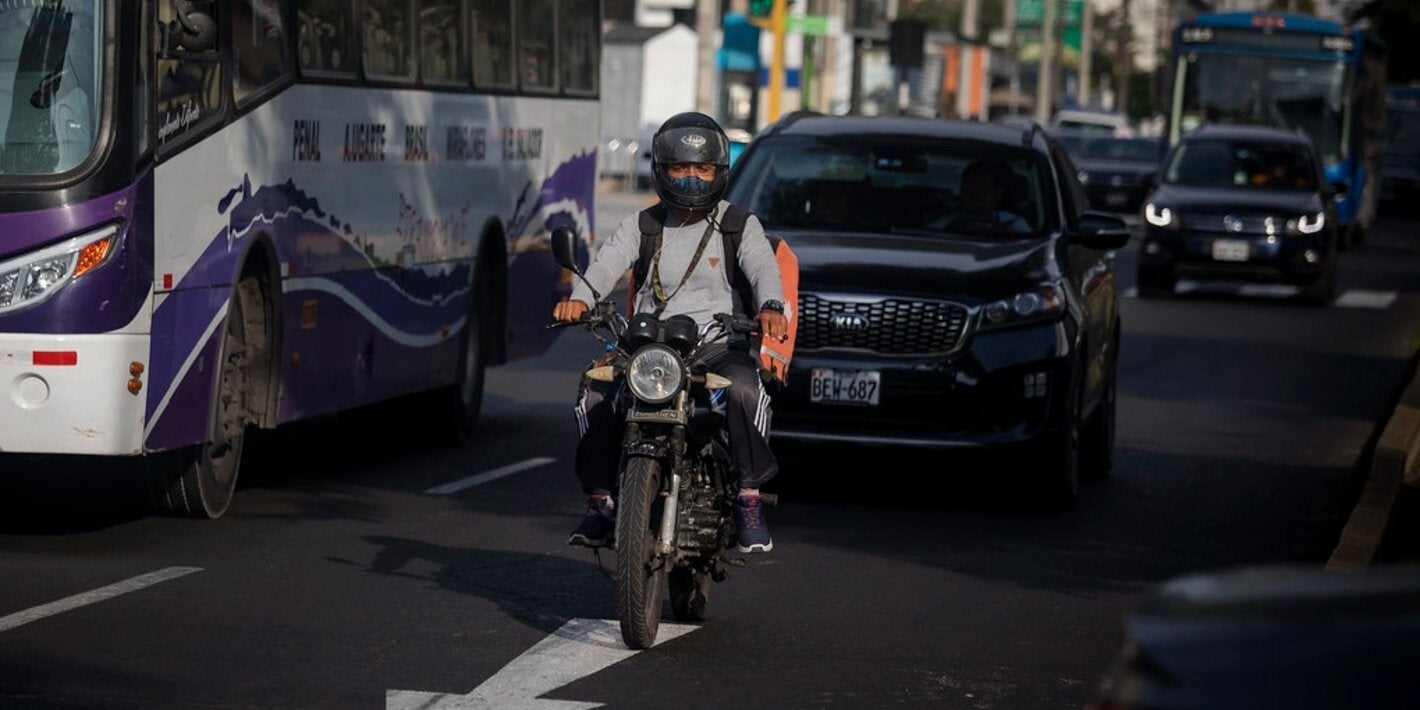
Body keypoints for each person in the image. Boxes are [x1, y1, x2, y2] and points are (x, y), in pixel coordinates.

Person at [552, 112, 789, 554]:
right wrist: (580, 299)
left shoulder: (739, 225)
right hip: (647, 347)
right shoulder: (642, 225)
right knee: (594, 394)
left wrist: (771, 307)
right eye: (681, 168)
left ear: (720, 172)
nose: (693, 178)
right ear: (662, 170)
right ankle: (601, 499)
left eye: (703, 169)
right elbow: (606, 265)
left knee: (745, 390)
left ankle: (748, 495)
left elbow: (763, 270)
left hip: (715, 346)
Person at [932, 160, 1031, 233]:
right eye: (970, 185)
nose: (975, 191)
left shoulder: (1016, 224)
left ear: (998, 194)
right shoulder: (942, 226)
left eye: (983, 186)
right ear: (962, 190)